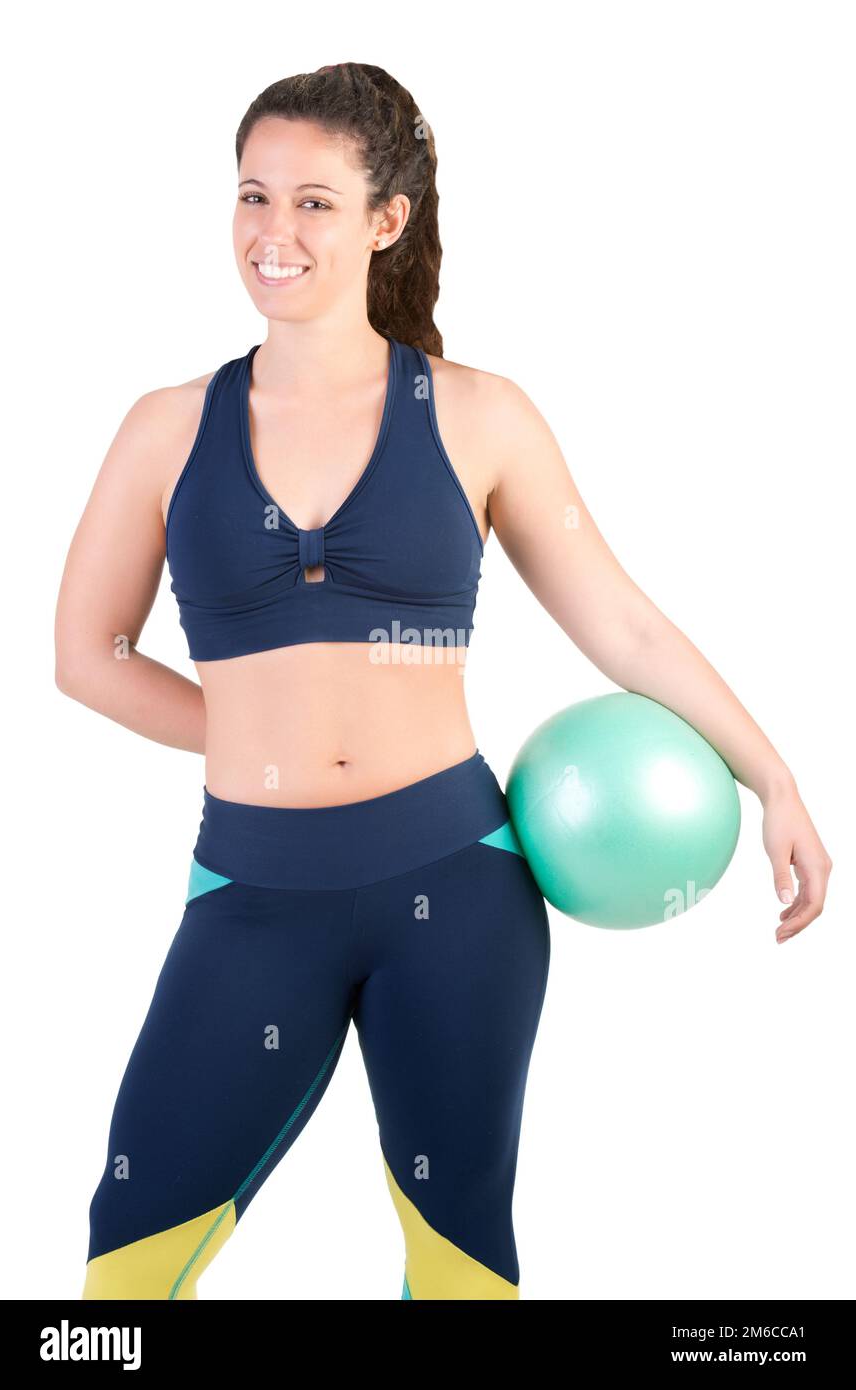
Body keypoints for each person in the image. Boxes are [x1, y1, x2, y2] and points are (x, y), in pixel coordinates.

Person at [55, 62, 832, 1301]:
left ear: (385, 220)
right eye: (252, 196)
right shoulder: (164, 427)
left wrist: (771, 774)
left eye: (314, 201)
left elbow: (620, 625)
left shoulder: (480, 416)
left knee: (458, 1258)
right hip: (252, 894)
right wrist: (250, 732)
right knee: (128, 1267)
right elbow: (84, 658)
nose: (273, 232)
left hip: (456, 889)